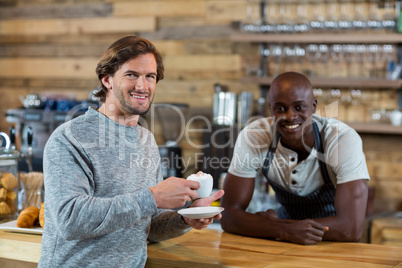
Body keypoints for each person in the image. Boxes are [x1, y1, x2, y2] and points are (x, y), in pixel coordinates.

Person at [38, 36, 224, 267]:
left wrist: (185, 218)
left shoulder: (145, 140)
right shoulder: (70, 138)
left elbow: (148, 227)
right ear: (107, 79)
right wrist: (153, 196)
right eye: (131, 75)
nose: (142, 86)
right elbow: (70, 220)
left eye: (150, 77)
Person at [220, 72, 369, 245]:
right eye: (280, 109)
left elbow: (351, 228)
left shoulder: (340, 139)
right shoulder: (255, 136)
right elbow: (228, 216)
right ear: (271, 110)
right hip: (285, 241)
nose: (290, 116)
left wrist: (272, 226)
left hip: (334, 244)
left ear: (313, 106)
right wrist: (285, 230)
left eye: (299, 107)